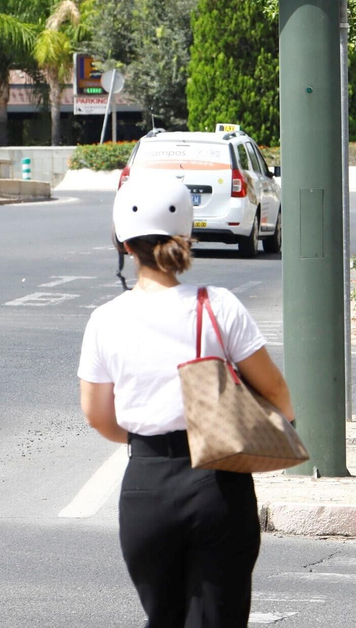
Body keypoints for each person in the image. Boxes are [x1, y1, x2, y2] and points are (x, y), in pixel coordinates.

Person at [79, 174, 295, 628]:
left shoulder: (105, 320)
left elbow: (98, 416)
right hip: (218, 482)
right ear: (187, 236)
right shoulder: (219, 305)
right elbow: (277, 392)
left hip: (146, 483)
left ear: (123, 242)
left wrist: (145, 442)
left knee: (163, 618)